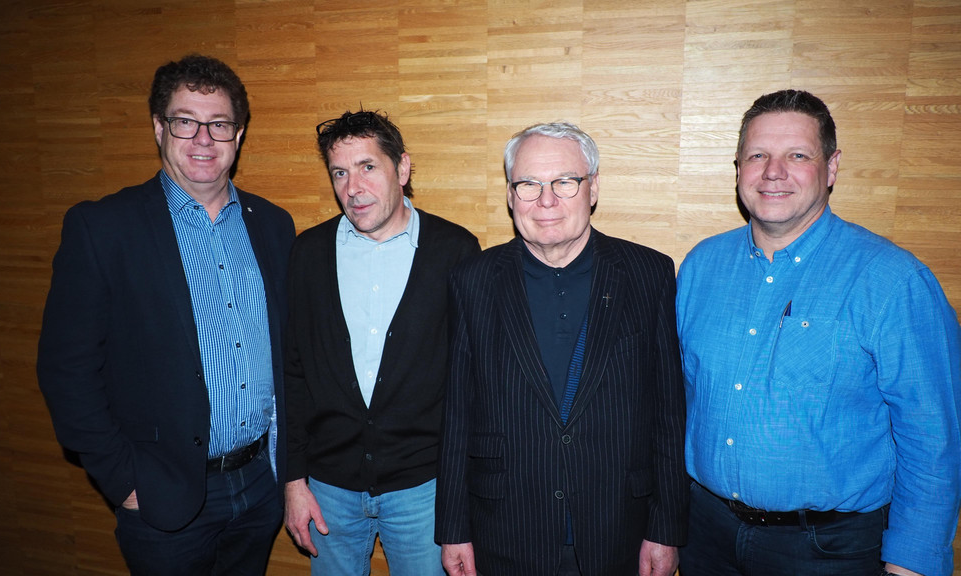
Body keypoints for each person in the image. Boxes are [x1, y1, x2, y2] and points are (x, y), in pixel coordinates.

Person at [676, 89, 961, 576]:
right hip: (704, 534)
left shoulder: (892, 281)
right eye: (757, 155)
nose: (773, 172)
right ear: (738, 168)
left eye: (797, 156)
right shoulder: (701, 266)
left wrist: (912, 562)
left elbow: (933, 436)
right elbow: (679, 401)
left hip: (828, 550)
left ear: (831, 168)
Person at [37, 54, 294, 575]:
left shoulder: (272, 224)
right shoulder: (104, 228)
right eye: (185, 121)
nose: (204, 138)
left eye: (218, 124)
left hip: (260, 486)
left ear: (239, 135)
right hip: (163, 495)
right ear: (159, 128)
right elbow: (66, 371)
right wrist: (124, 481)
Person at [436, 122, 689, 576]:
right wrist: (454, 528)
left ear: (593, 189)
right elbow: (458, 414)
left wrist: (666, 527)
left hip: (619, 528)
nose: (546, 200)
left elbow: (669, 414)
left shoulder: (648, 273)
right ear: (510, 195)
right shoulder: (472, 280)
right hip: (507, 531)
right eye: (528, 184)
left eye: (564, 182)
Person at [283, 109, 480, 575]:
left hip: (423, 489)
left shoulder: (456, 251)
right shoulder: (307, 254)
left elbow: (472, 383)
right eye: (340, 172)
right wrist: (293, 481)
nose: (353, 187)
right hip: (328, 490)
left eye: (368, 166)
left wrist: (461, 492)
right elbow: (291, 373)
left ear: (402, 168)